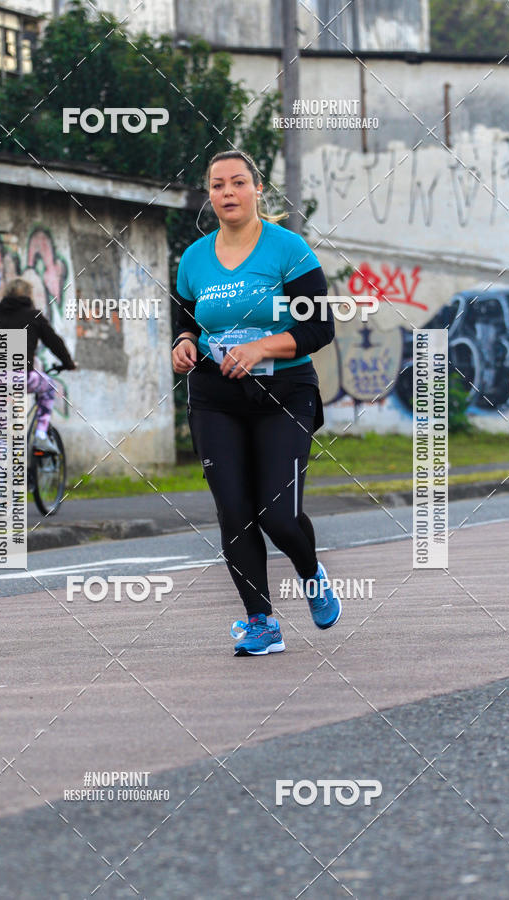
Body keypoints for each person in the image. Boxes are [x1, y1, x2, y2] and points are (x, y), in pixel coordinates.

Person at [172, 149, 341, 657]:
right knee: (235, 513)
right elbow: (185, 320)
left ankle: (311, 574)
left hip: (284, 393)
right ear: (209, 194)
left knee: (278, 513)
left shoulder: (289, 250)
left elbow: (319, 327)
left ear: (257, 189)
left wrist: (262, 347)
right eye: (218, 185)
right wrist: (182, 345)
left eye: (238, 183)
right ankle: (260, 621)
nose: (228, 192)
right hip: (214, 397)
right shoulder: (194, 258)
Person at [0, 278, 76, 452]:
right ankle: (40, 434)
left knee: (1, 432)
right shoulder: (33, 316)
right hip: (19, 377)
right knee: (49, 387)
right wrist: (68, 363)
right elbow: (54, 342)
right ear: (29, 296)